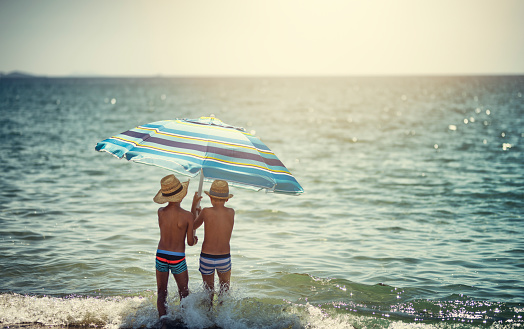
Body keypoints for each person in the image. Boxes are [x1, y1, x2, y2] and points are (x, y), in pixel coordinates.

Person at [153, 174, 198, 325]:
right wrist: (195, 238)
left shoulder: (161, 212)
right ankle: (185, 321)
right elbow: (191, 242)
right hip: (177, 257)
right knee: (184, 292)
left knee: (161, 292)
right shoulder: (188, 216)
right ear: (181, 195)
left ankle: (163, 321)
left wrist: (193, 211)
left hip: (161, 254)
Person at [192, 180, 235, 303]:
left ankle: (208, 314)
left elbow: (193, 226)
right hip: (224, 257)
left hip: (207, 257)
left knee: (208, 291)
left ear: (210, 197)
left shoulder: (206, 211)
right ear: (227, 199)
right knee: (224, 290)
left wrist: (197, 213)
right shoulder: (231, 212)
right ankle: (221, 318)